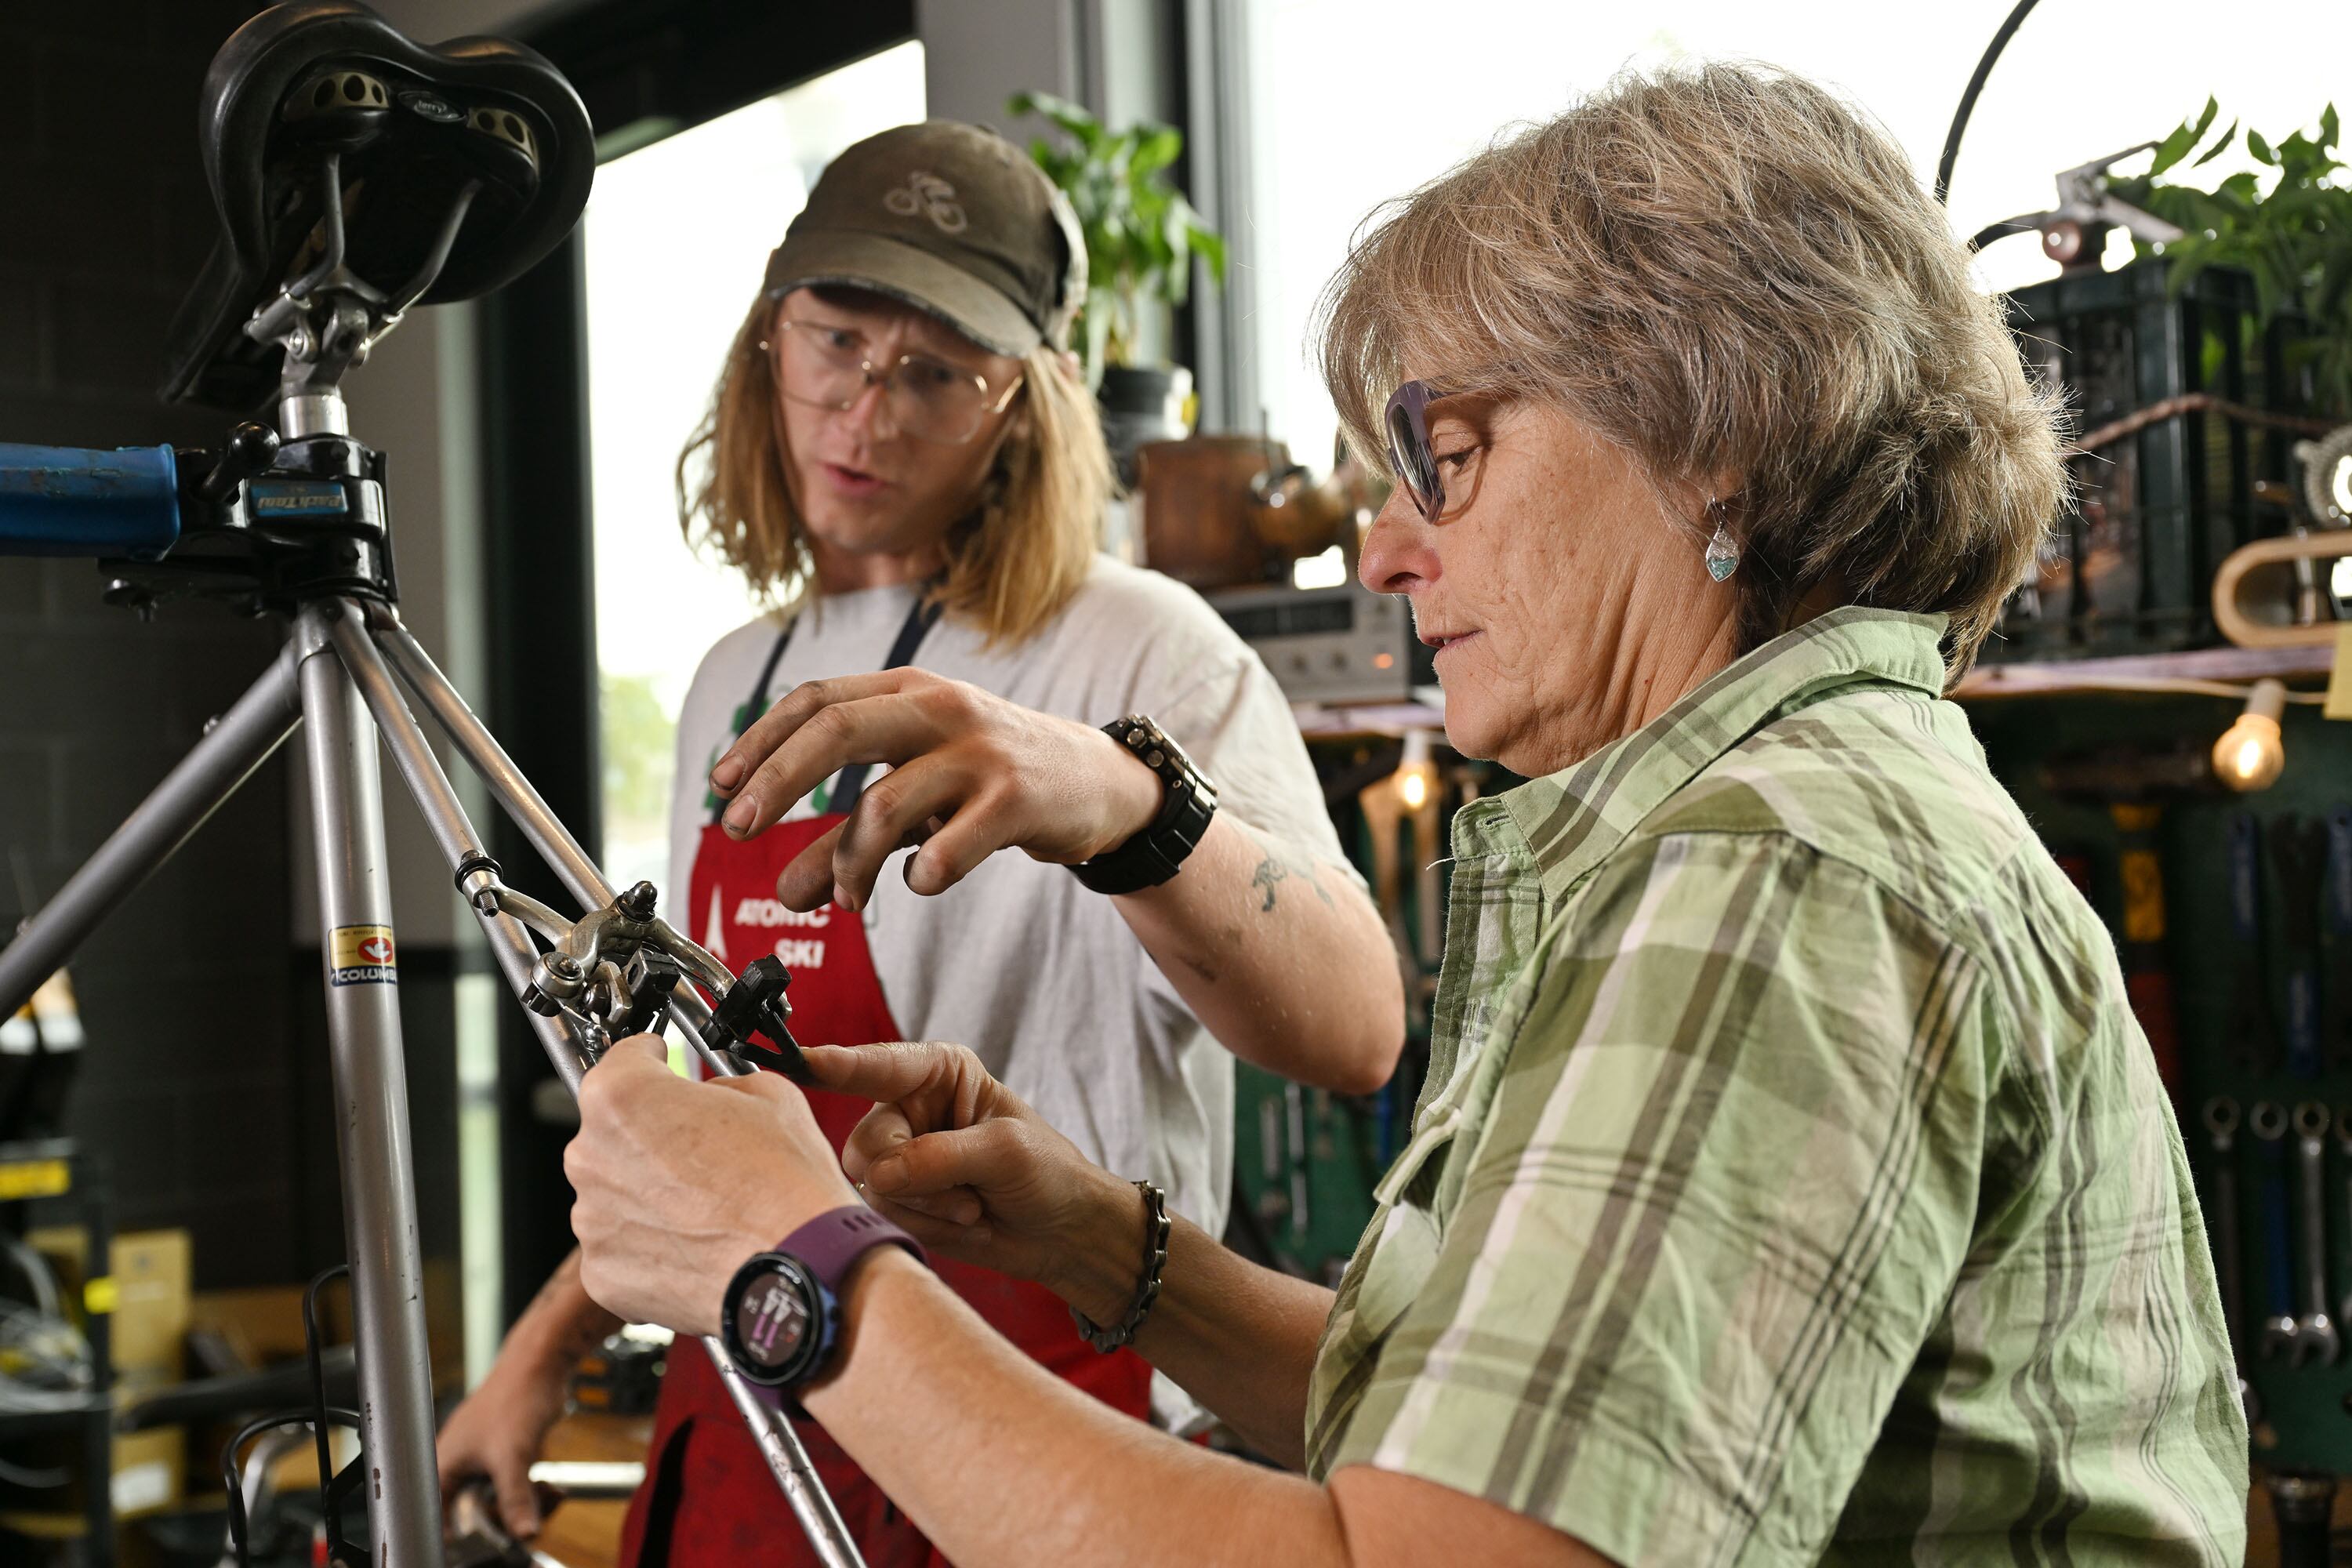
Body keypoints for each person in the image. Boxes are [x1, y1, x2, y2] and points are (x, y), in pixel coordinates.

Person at [563, 64, 2252, 1566]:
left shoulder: (1779, 866)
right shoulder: (1765, 821)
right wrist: (1102, 1243)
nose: (1382, 547)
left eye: (1443, 450)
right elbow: (1484, 1441)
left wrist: (807, 1271)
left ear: (1711, 438)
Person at [434, 120, 1403, 1565]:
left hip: (1027, 1420)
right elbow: (715, 1096)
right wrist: (537, 1350)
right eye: (835, 342)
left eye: (937, 374)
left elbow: (1359, 1030)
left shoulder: (1138, 651)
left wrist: (1125, 803)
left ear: (1022, 404)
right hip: (754, 1406)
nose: (867, 414)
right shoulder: (732, 678)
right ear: (769, 340)